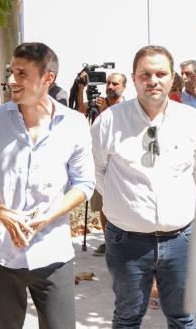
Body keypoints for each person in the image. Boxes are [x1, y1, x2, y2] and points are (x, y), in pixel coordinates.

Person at [0, 42, 96, 328]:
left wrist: (48, 216)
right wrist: (0, 211)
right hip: (1, 254)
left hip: (53, 253)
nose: (12, 80)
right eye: (12, 71)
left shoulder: (74, 124)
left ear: (47, 79)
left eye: (22, 73)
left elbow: (85, 183)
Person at [91, 45, 196, 328]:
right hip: (126, 242)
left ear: (172, 78)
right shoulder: (109, 121)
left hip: (181, 240)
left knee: (183, 317)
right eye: (145, 74)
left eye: (161, 73)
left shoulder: (192, 121)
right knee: (127, 317)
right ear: (134, 77)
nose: (153, 80)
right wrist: (128, 207)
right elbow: (97, 173)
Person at [75, 72, 127, 257]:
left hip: (118, 165)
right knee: (102, 205)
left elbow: (116, 132)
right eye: (109, 84)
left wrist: (105, 112)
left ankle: (122, 241)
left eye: (115, 84)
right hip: (98, 162)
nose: (111, 87)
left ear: (124, 87)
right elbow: (81, 111)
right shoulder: (99, 102)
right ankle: (108, 241)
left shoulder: (127, 109)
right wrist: (80, 88)